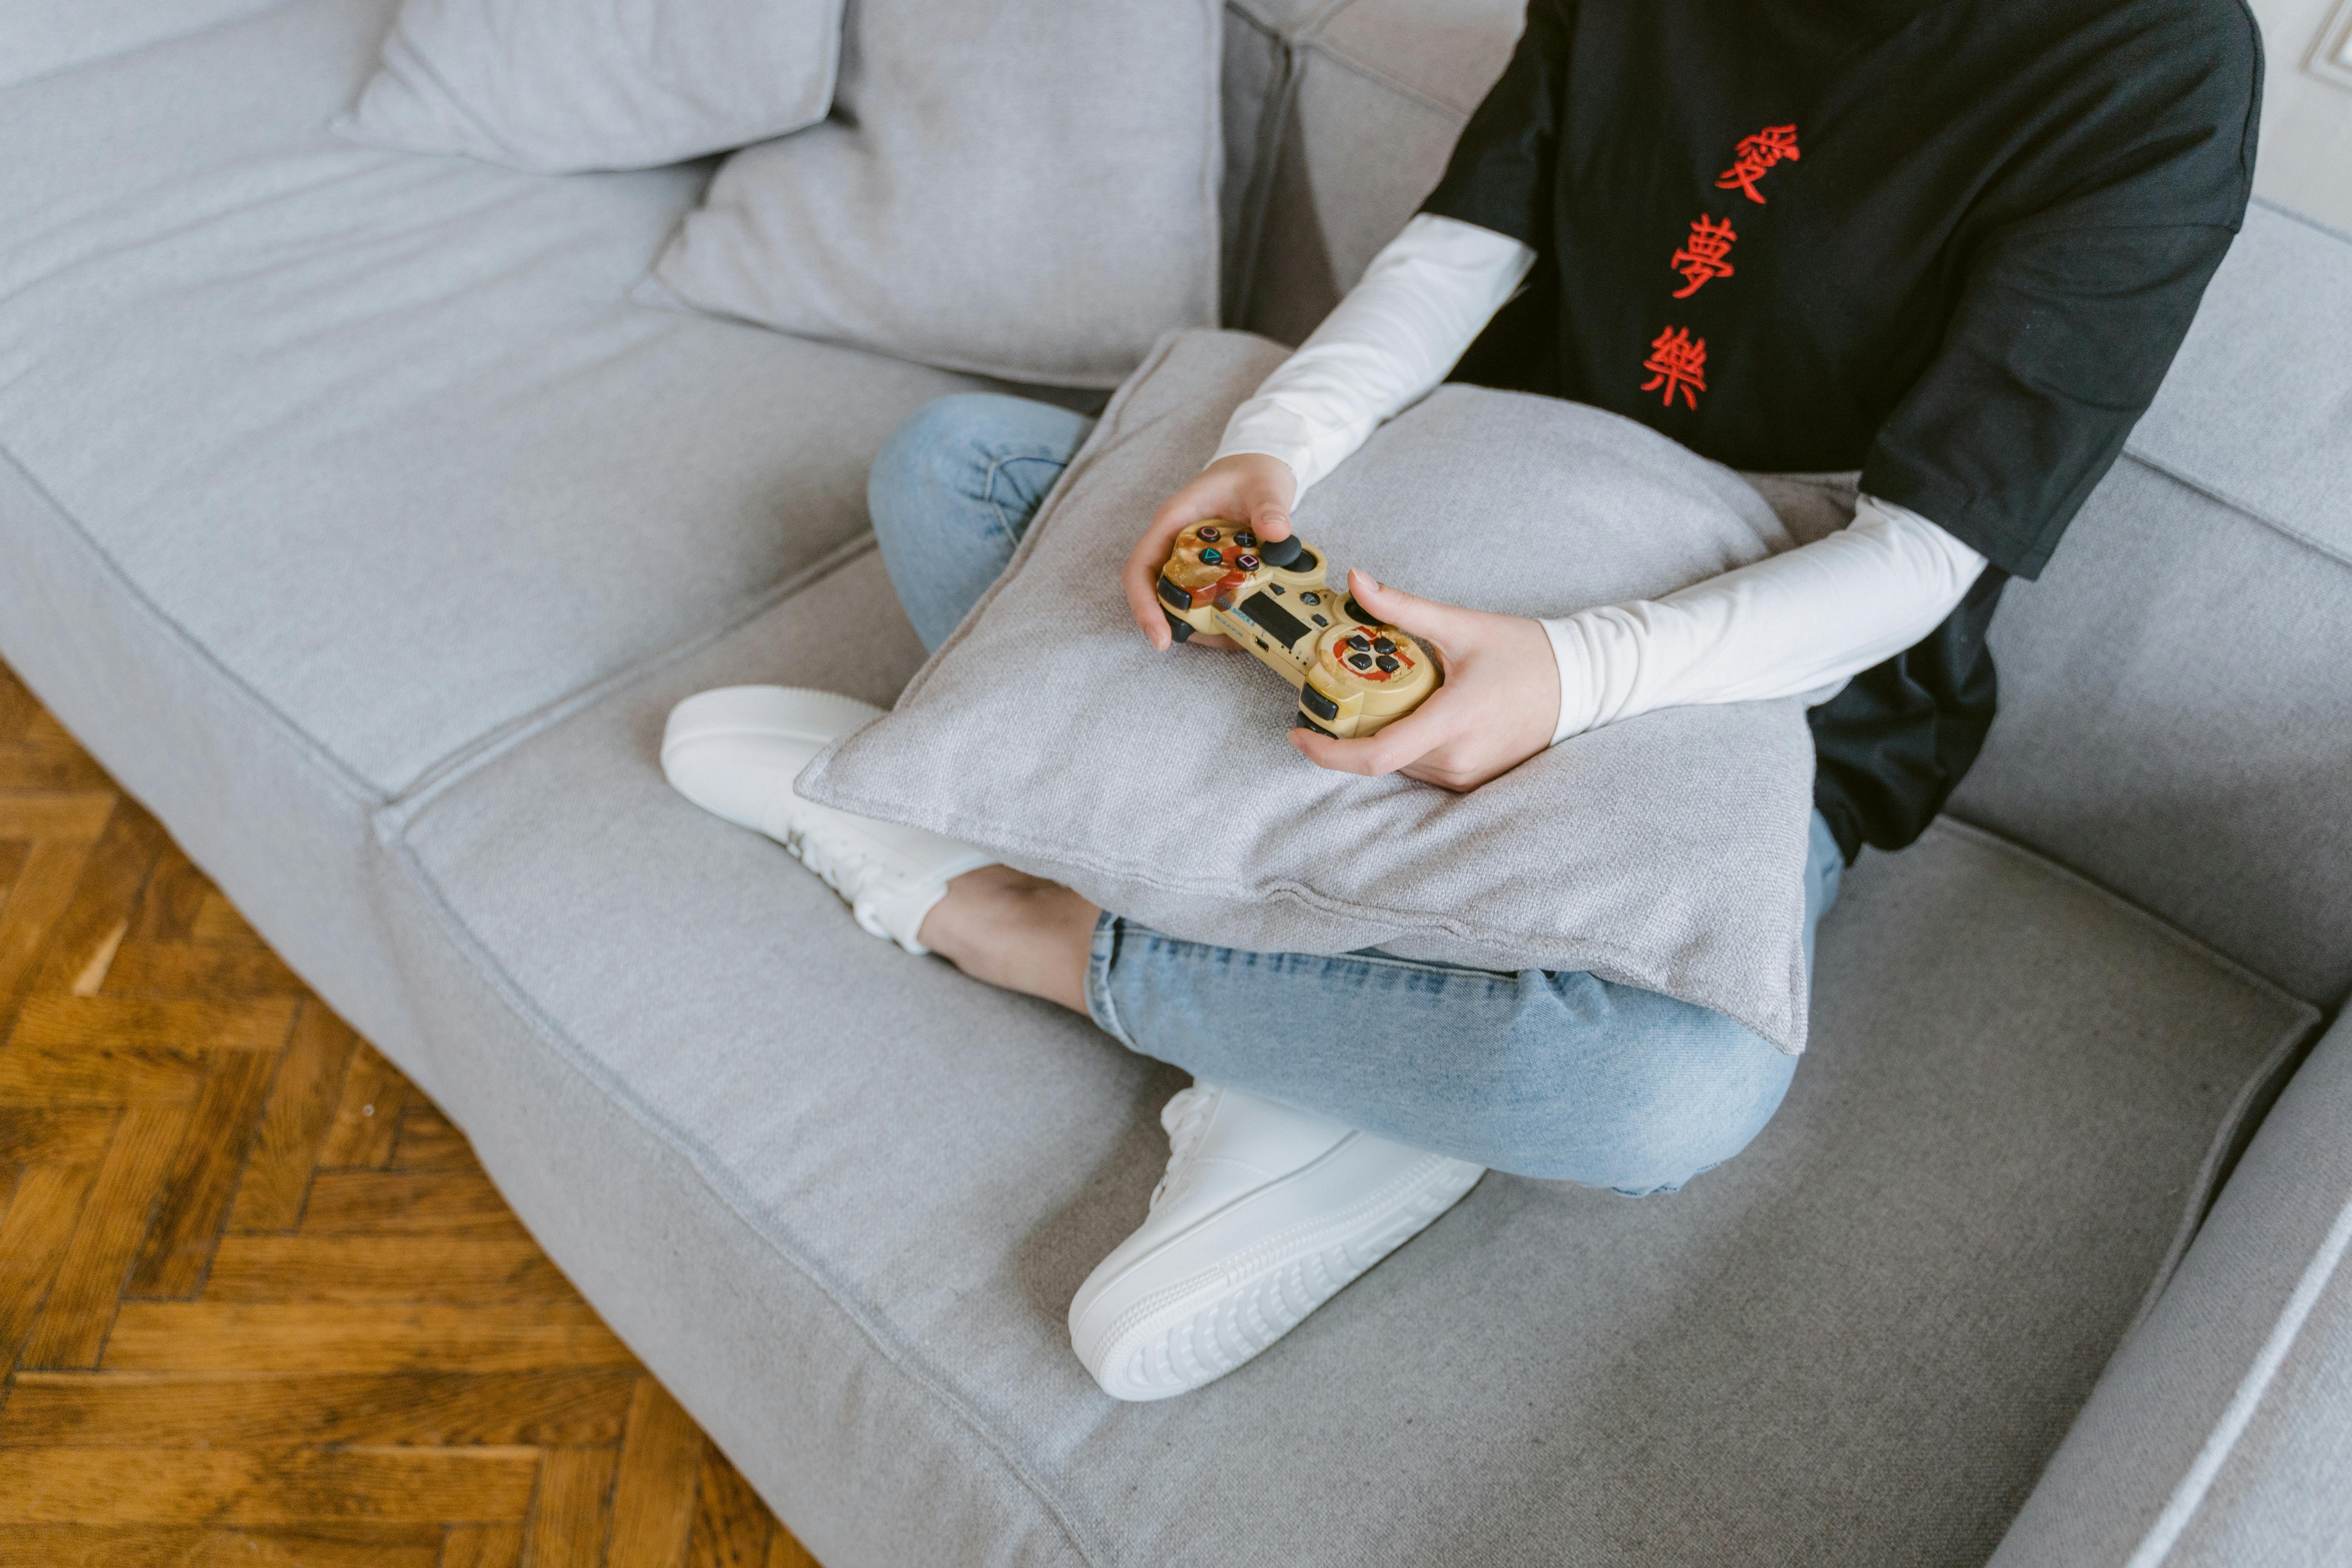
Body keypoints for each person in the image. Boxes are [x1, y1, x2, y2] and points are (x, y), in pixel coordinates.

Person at [660, 0, 2259, 1400]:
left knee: (1667, 1084)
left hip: (1759, 686)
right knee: (950, 469)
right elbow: (1460, 247)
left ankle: (1023, 913)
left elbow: (1925, 551)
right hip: (1445, 533)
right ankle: (1339, 1056)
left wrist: (1573, 674)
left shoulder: (2155, 65)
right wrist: (1274, 446)